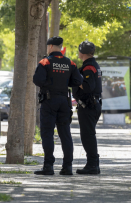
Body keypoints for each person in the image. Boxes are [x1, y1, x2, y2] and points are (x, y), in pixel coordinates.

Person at [33, 36, 83, 175]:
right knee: (65, 134)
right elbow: (78, 80)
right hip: (64, 101)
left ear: (50, 47)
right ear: (60, 47)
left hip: (49, 101)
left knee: (47, 133)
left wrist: (49, 85)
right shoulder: (70, 63)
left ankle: (48, 166)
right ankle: (67, 167)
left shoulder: (45, 62)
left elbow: (37, 80)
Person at [72, 41, 102, 174]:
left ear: (82, 52)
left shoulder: (89, 67)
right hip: (93, 104)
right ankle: (94, 164)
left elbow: (88, 86)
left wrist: (77, 80)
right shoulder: (93, 65)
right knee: (89, 135)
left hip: (89, 106)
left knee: (87, 136)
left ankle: (92, 165)